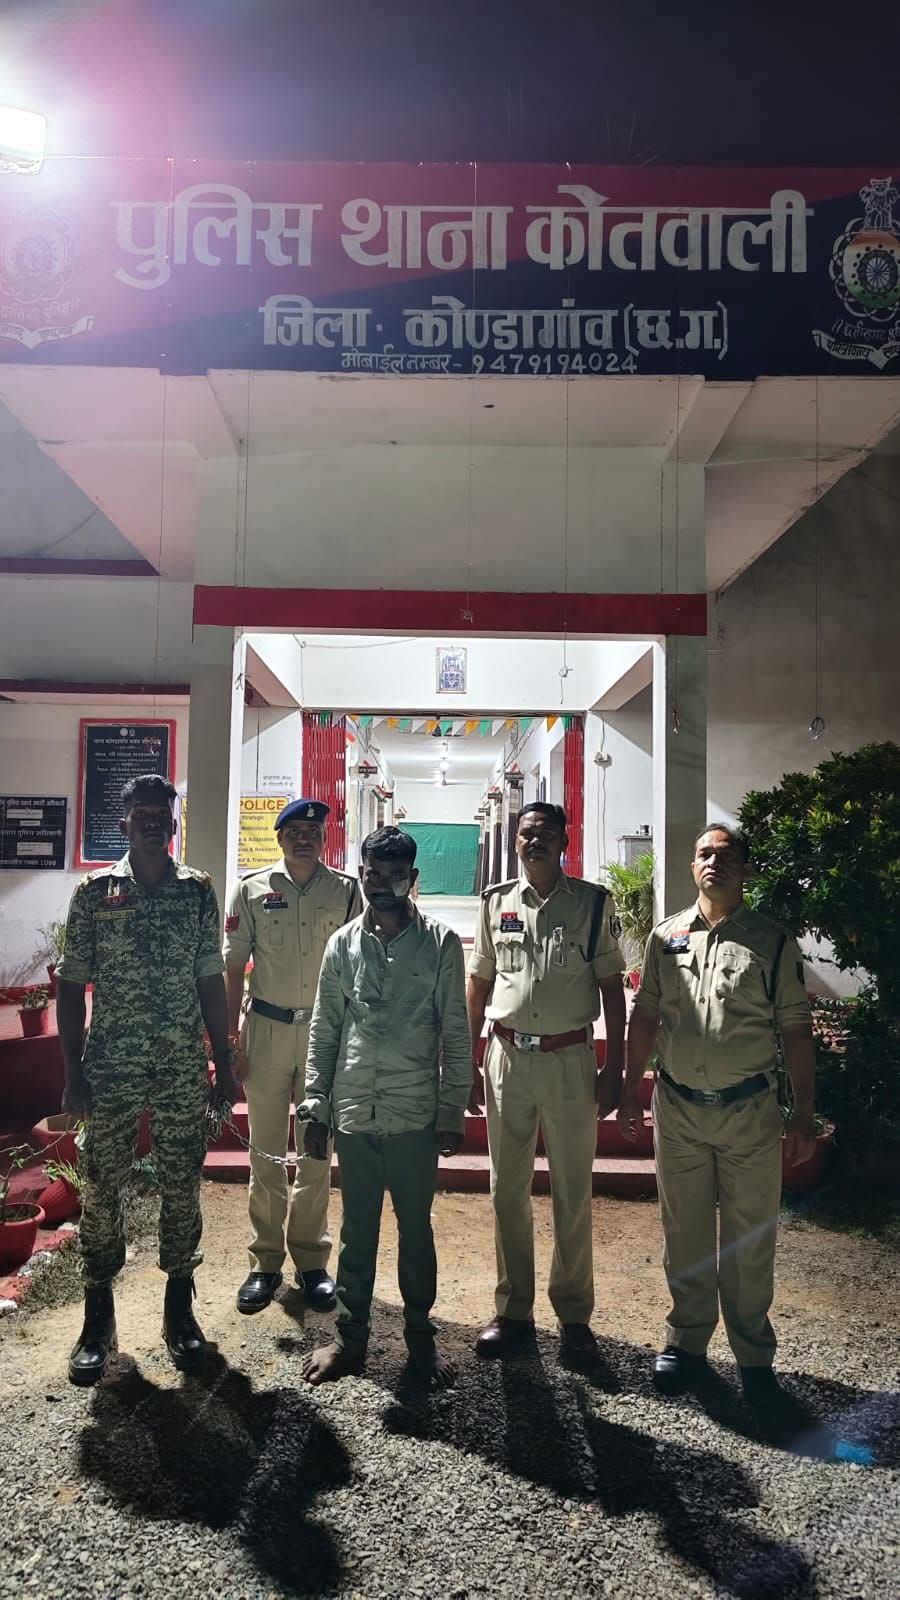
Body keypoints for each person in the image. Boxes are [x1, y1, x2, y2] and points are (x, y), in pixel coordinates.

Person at [617, 823, 816, 1407]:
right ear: (691, 866)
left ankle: (753, 1358)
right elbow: (645, 1017)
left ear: (745, 868)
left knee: (750, 1238)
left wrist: (803, 1112)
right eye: (704, 854)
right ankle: (686, 1342)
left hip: (748, 1110)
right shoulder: (665, 937)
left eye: (726, 856)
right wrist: (629, 1089)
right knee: (684, 1233)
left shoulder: (771, 941)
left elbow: (795, 1029)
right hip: (678, 1107)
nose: (714, 863)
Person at [56, 774, 236, 1385]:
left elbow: (211, 978)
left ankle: (178, 1308)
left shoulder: (197, 890)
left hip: (181, 1063)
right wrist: (72, 1071)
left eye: (163, 813)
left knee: (181, 1182)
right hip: (111, 1065)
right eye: (143, 814)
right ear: (125, 823)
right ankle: (98, 1317)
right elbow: (71, 983)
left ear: (175, 823)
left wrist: (223, 1063)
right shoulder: (94, 892)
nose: (154, 822)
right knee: (102, 1183)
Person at [298, 825, 471, 1388]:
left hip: (414, 1112)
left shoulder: (441, 943)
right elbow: (325, 1029)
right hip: (354, 1111)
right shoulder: (342, 945)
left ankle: (421, 1342)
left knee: (416, 1230)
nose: (383, 885)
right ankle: (350, 1341)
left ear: (412, 878)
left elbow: (456, 1032)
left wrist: (451, 1110)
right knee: (357, 1232)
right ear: (362, 874)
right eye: (374, 873)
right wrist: (316, 1105)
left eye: (396, 875)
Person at [467, 802, 626, 1363]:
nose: (534, 841)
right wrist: (465, 1059)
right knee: (506, 1188)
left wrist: (615, 1067)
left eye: (546, 833)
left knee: (572, 1190)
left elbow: (611, 987)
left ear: (564, 841)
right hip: (507, 1056)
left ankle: (574, 1317)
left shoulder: (592, 904)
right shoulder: (495, 903)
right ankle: (513, 1311)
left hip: (569, 1061)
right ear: (515, 841)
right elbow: (479, 982)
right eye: (526, 833)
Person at [223, 798, 362, 1314]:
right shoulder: (252, 889)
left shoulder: (346, 892)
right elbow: (233, 967)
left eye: (314, 831)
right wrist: (229, 1041)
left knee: (316, 1150)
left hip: (325, 1035)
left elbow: (359, 966)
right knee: (264, 1151)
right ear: (279, 838)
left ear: (325, 838)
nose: (305, 839)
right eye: (294, 832)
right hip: (266, 1029)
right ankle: (264, 1262)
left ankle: (311, 1260)